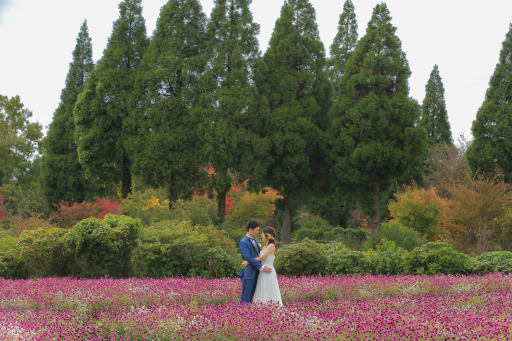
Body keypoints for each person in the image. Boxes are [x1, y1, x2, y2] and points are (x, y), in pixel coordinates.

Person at [242, 226, 283, 306]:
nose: (261, 236)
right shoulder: (264, 247)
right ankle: (262, 306)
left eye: (262, 234)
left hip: (268, 270)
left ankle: (270, 305)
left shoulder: (271, 246)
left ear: (267, 236)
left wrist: (248, 262)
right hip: (263, 270)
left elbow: (261, 257)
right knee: (261, 288)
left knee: (268, 288)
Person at [239, 221, 272, 303]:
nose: (258, 232)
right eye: (257, 230)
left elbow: (260, 256)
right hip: (249, 273)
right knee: (246, 297)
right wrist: (262, 267)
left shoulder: (256, 241)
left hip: (259, 274)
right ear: (250, 229)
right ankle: (244, 313)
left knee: (255, 298)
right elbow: (248, 257)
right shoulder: (243, 242)